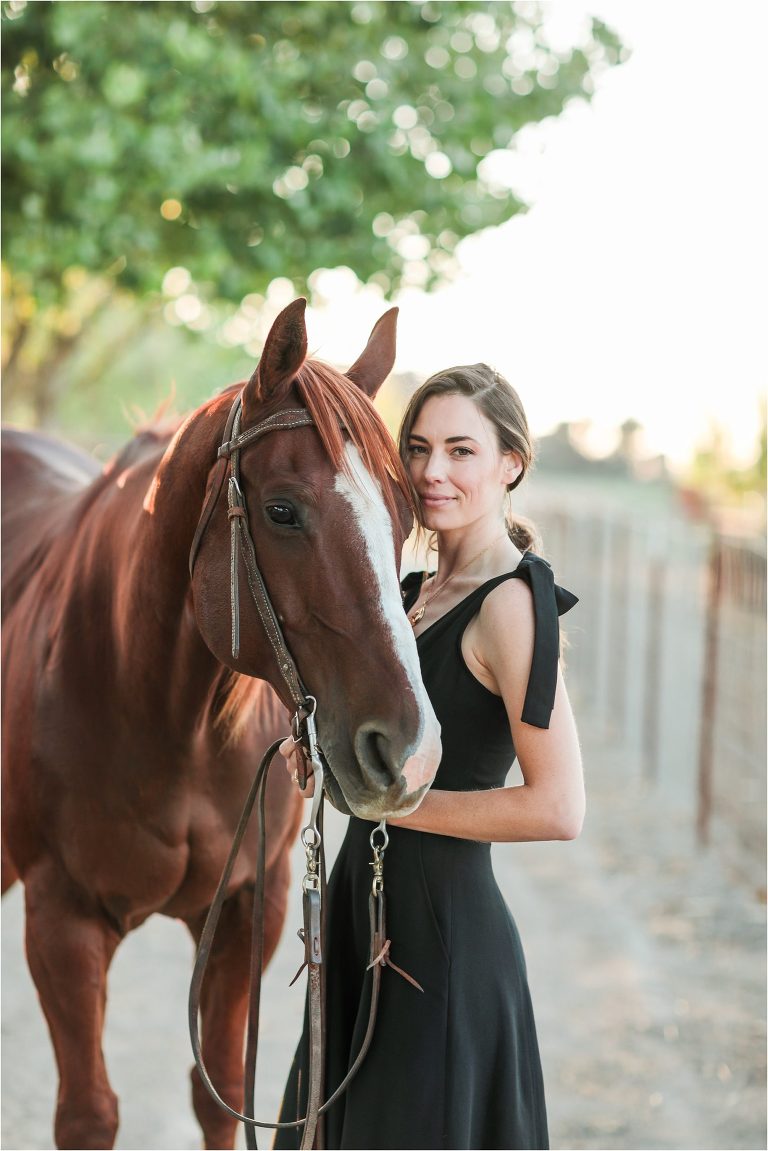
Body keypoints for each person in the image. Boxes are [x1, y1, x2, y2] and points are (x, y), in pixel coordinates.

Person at [274, 363, 584, 1151]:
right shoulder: (409, 592)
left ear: (510, 462)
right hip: (364, 914)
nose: (433, 472)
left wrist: (395, 804)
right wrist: (333, 766)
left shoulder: (512, 604)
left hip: (443, 945)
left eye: (460, 449)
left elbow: (558, 806)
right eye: (417, 448)